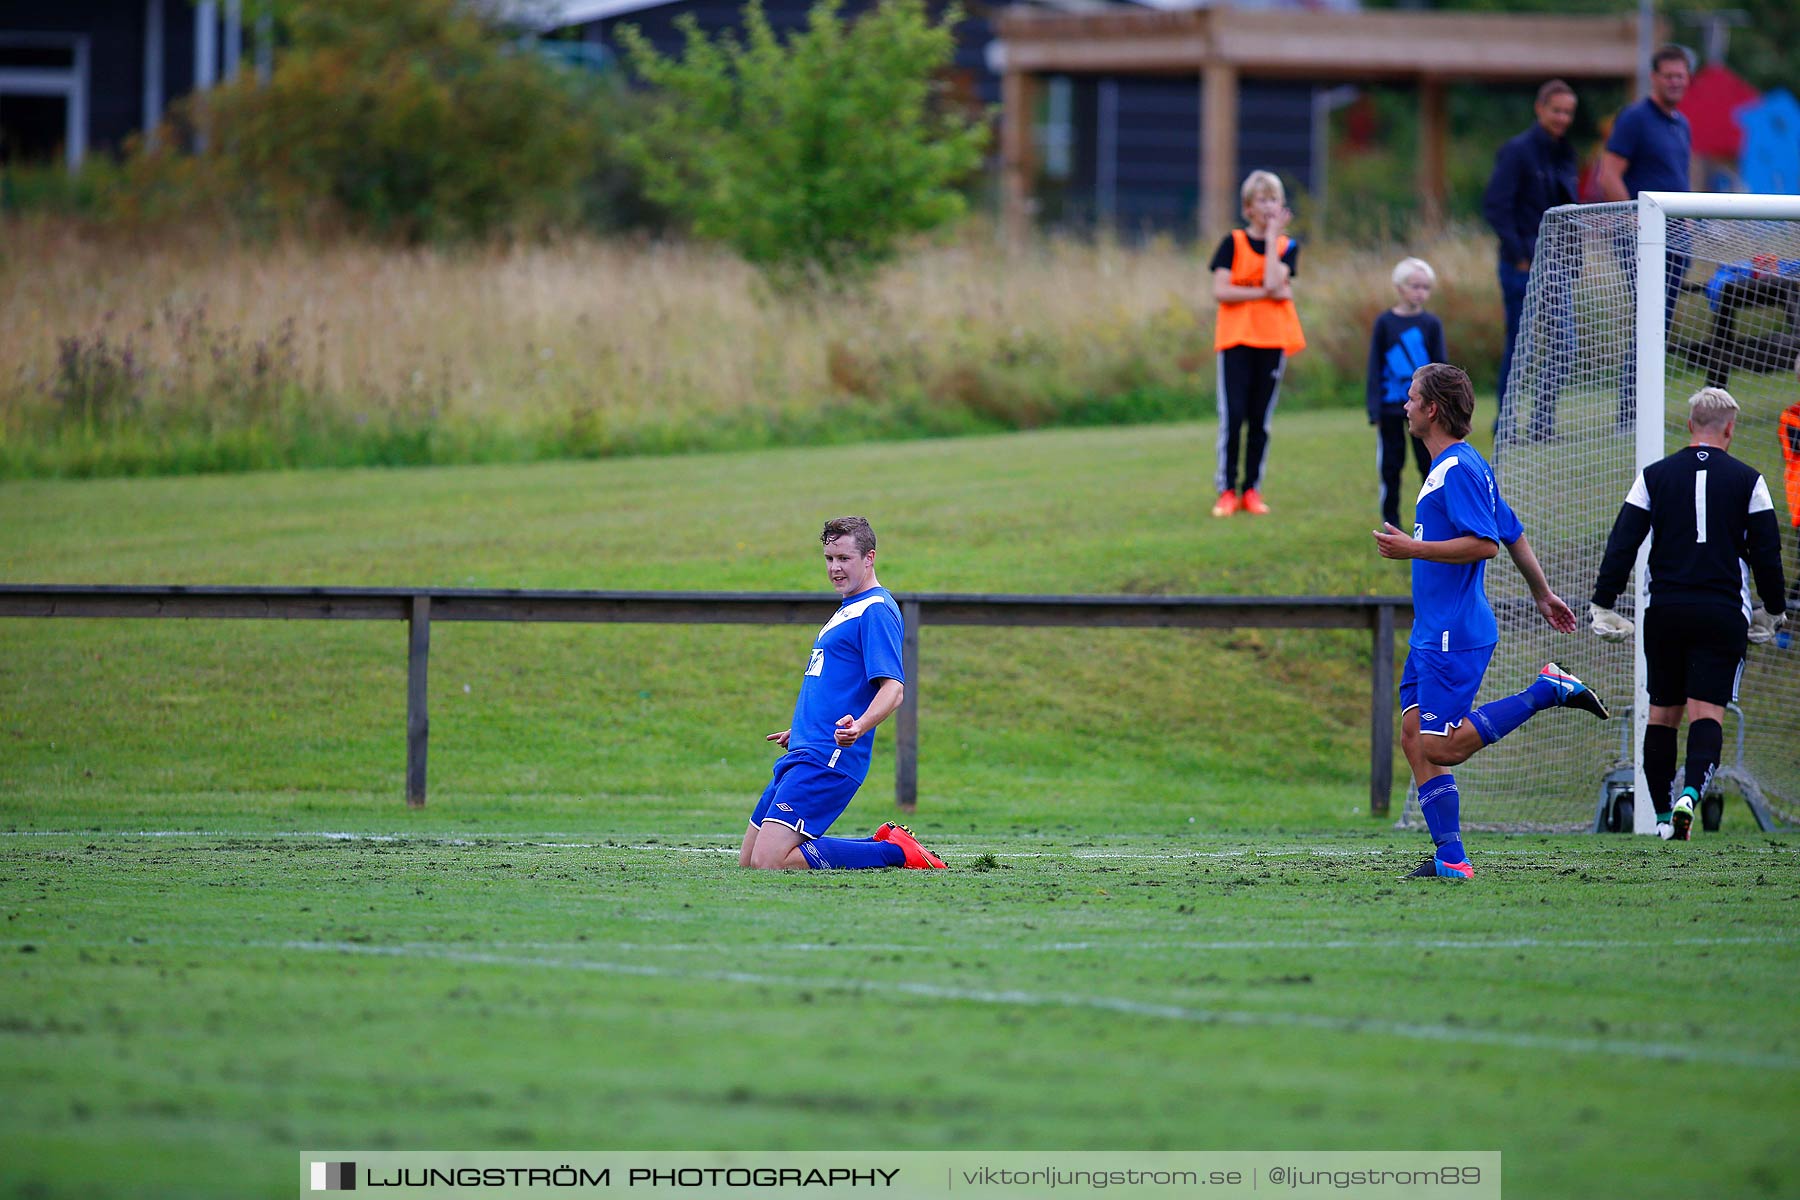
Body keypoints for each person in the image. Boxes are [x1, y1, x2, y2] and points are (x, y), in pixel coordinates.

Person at [1373, 364, 1608, 881]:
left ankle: (1546, 690)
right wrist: (1543, 593)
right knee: (1415, 736)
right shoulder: (1462, 464)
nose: (1406, 405)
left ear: (1432, 409)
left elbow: (1484, 543)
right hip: (1433, 629)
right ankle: (1451, 857)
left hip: (1454, 632)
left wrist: (1413, 547)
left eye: (1412, 398)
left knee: (1441, 745)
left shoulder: (1457, 469)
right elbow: (1512, 529)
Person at [1589, 388, 1789, 839]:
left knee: (1661, 715)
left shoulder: (1654, 476)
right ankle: (1690, 795)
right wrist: (1771, 610)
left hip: (1665, 611)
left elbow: (1623, 541)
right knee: (1707, 714)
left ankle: (1661, 816)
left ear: (1690, 425)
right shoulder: (1750, 480)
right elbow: (1767, 553)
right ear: (1731, 430)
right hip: (1721, 612)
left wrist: (1603, 603)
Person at [738, 516, 946, 871]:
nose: (835, 568)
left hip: (830, 756)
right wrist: (801, 729)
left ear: (869, 558)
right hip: (807, 749)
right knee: (750, 860)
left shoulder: (876, 610)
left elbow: (893, 689)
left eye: (844, 559)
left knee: (770, 860)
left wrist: (860, 726)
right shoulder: (846, 610)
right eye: (829, 559)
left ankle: (897, 853)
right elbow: (835, 684)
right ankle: (883, 842)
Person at [1597, 45, 1694, 426]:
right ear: (1654, 78)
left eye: (1681, 76)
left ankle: (1645, 408)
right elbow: (1609, 173)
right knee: (1648, 319)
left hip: (1678, 240)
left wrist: (1685, 219)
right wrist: (1635, 218)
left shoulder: (1681, 123)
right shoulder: (1635, 118)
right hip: (1645, 240)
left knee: (1662, 323)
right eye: (1668, 75)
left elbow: (1676, 179)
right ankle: (1630, 413)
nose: (1675, 82)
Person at [1482, 80, 1579, 443]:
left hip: (1559, 265)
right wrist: (1521, 255)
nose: (1562, 118)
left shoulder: (1566, 154)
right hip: (1522, 266)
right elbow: (1496, 205)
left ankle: (1541, 421)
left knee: (1563, 345)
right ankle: (1506, 424)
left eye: (1568, 112)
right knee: (1519, 347)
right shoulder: (1517, 152)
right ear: (1540, 109)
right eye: (1556, 110)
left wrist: (1574, 259)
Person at [1209, 169, 1305, 518]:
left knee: (1259, 419)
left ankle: (1251, 489)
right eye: (1262, 200)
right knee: (1233, 417)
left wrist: (1272, 239)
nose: (1269, 206)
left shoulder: (1286, 247)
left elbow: (1275, 280)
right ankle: (1226, 490)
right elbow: (1222, 291)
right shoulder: (1231, 243)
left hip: (1272, 342)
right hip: (1235, 341)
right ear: (1248, 207)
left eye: (1274, 199)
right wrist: (1262, 293)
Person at [1367, 256, 1446, 530]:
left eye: (1425, 287)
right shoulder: (1385, 323)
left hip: (1425, 412)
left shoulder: (1431, 324)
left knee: (1429, 465)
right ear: (1399, 287)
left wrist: (1441, 405)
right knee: (1391, 466)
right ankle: (1392, 522)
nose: (1419, 292)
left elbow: (1440, 368)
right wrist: (1374, 407)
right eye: (1414, 286)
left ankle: (1433, 519)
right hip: (1390, 409)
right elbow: (1374, 366)